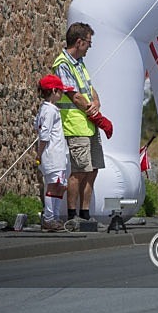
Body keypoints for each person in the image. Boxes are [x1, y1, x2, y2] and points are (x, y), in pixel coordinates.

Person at [52, 22, 112, 225]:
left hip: (89, 124)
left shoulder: (79, 63)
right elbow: (74, 96)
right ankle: (72, 216)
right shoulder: (63, 64)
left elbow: (89, 88)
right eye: (88, 43)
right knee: (79, 171)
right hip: (76, 125)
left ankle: (85, 214)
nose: (89, 47)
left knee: (93, 169)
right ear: (79, 42)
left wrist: (96, 102)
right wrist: (93, 112)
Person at [35, 75, 73, 232]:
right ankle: (49, 218)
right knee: (53, 185)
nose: (62, 94)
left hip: (58, 154)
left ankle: (55, 217)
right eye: (60, 91)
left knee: (60, 186)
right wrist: (39, 153)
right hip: (52, 154)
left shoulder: (49, 109)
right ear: (53, 91)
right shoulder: (49, 110)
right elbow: (45, 133)